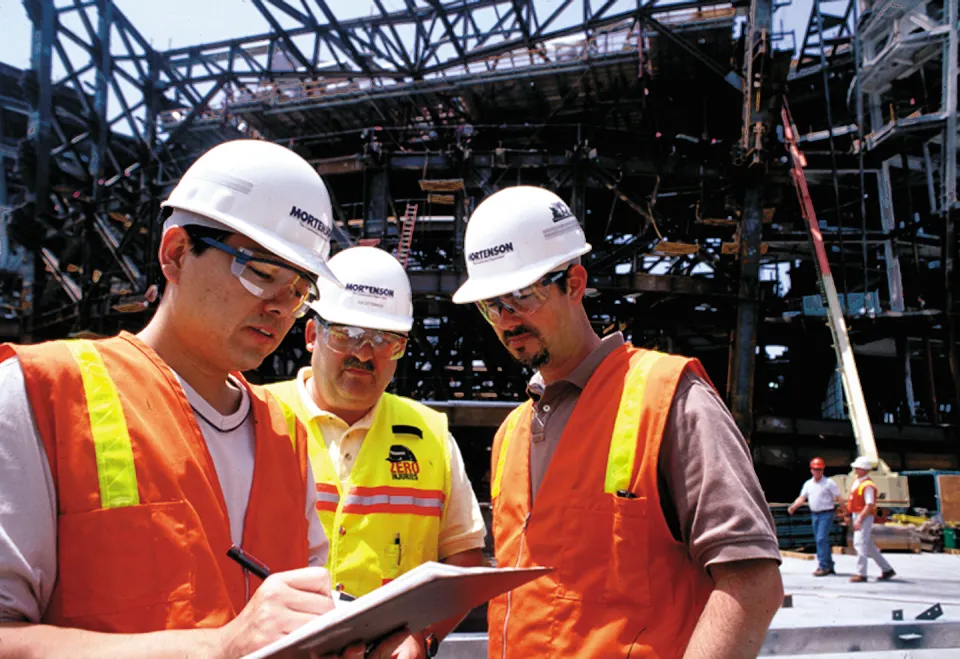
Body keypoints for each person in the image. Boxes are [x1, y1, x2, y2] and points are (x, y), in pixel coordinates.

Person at [0, 139, 369, 658]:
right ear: (176, 253)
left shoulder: (284, 431)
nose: (280, 308)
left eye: (298, 289)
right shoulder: (43, 393)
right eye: (260, 273)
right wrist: (217, 647)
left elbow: (300, 619)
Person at [451, 186, 785, 659]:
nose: (506, 320)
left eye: (521, 296)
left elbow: (752, 584)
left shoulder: (670, 398)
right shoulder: (513, 433)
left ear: (575, 282)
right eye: (491, 306)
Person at [266, 246, 487, 659]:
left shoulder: (429, 434)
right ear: (312, 334)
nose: (364, 353)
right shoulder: (257, 415)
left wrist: (423, 639)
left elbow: (464, 559)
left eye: (386, 340)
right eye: (347, 333)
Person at [788, 457, 844, 576]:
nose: (817, 472)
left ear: (822, 470)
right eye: (815, 469)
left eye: (819, 469)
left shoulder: (829, 483)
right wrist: (794, 506)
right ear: (811, 470)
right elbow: (802, 498)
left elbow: (839, 498)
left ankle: (822, 566)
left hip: (826, 513)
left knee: (821, 538)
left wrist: (845, 512)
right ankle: (829, 564)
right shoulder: (808, 484)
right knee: (821, 540)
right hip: (815, 514)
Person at [847, 456, 896, 583]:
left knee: (859, 544)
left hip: (863, 515)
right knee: (867, 545)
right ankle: (887, 569)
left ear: (865, 469)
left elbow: (869, 505)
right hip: (858, 514)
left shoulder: (868, 485)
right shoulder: (858, 482)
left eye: (858, 467)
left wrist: (859, 519)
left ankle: (861, 573)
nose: (855, 469)